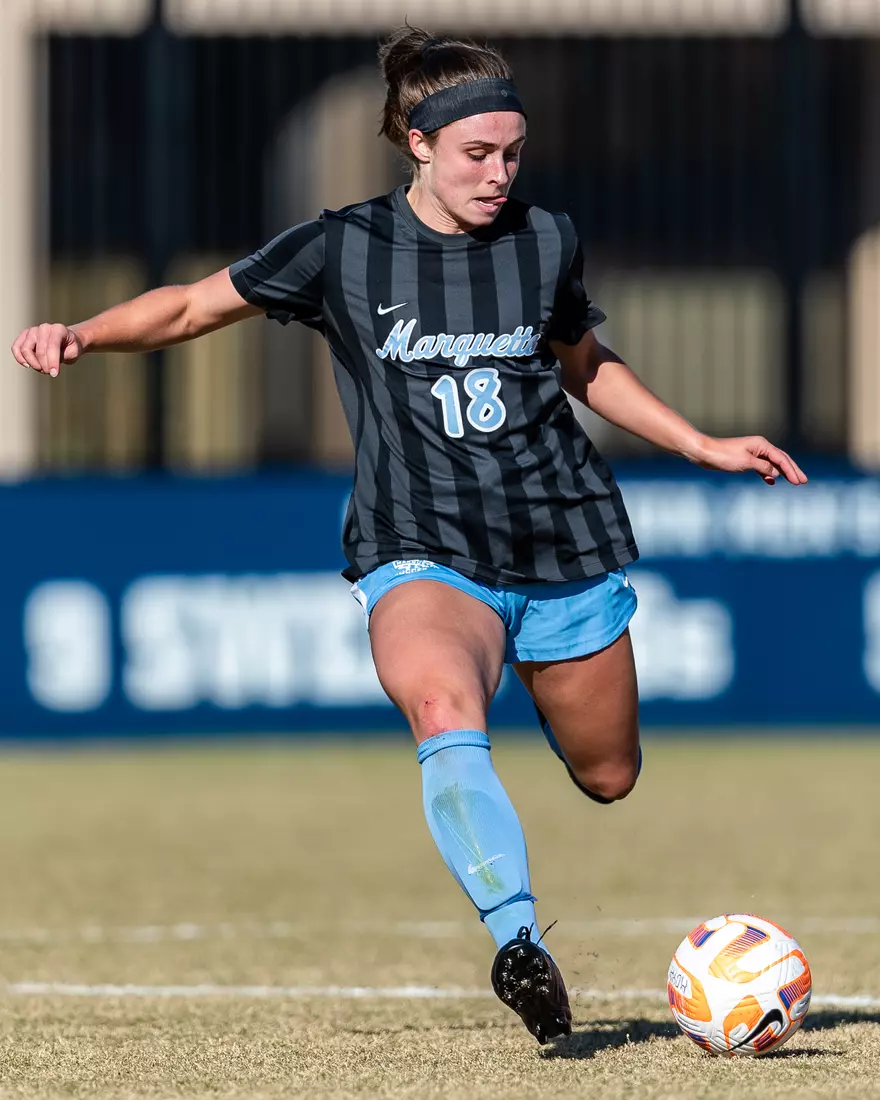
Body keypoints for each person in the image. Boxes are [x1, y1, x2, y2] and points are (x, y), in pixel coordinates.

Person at [10, 26, 807, 1045]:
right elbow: (189, 306)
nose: (498, 171)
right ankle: (518, 939)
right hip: (420, 544)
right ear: (417, 144)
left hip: (560, 537)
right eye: (477, 153)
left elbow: (584, 361)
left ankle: (540, 801)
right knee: (439, 700)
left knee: (608, 773)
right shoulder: (339, 247)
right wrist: (83, 333)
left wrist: (699, 440)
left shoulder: (544, 239)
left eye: (512, 151)